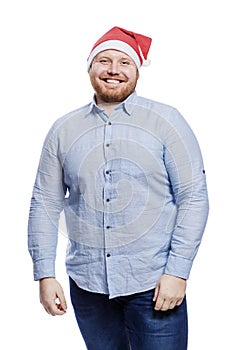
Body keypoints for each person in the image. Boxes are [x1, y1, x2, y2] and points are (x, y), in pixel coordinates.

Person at [28, 26, 209, 350]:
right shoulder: (64, 130)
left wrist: (177, 272)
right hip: (88, 287)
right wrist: (45, 273)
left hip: (154, 284)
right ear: (90, 68)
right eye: (104, 60)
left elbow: (193, 197)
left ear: (137, 70)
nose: (113, 70)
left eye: (124, 62)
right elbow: (44, 202)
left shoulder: (167, 122)